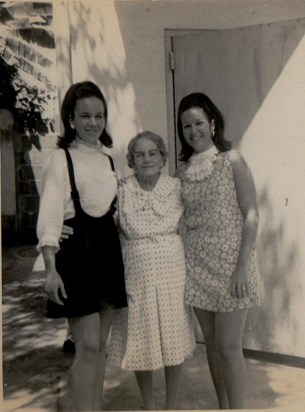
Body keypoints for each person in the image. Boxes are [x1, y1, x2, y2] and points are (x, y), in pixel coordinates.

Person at [36, 81, 127, 411]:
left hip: (108, 255)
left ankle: (91, 406)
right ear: (71, 119)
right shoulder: (60, 158)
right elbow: (49, 214)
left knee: (99, 347)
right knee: (86, 345)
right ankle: (74, 403)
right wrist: (50, 267)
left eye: (99, 115)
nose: (93, 122)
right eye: (85, 115)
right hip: (76, 257)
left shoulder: (110, 160)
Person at [175, 92, 260, 410]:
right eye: (186, 126)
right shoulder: (182, 172)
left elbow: (251, 214)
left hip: (232, 266)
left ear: (212, 124)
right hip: (196, 266)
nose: (192, 131)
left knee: (228, 346)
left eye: (198, 123)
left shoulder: (232, 160)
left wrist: (242, 266)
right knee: (211, 345)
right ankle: (223, 407)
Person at [106, 131, 196, 410]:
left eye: (152, 153)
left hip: (172, 271)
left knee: (173, 337)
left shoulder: (176, 186)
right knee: (140, 337)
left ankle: (170, 405)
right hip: (135, 272)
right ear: (131, 160)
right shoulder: (121, 189)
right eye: (139, 154)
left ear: (162, 157)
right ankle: (149, 405)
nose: (146, 159)